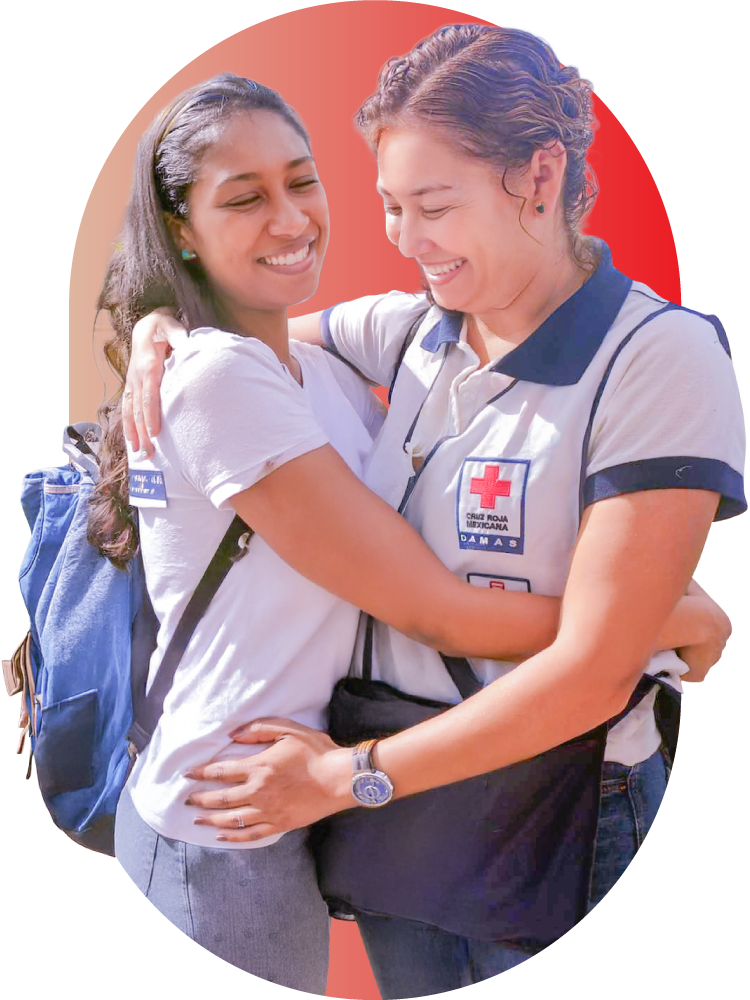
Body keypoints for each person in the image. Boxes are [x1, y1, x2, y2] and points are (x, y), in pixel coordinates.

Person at [120, 27, 745, 995]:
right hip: (397, 829)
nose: (406, 241)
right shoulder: (418, 325)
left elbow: (590, 676)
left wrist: (349, 776)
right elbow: (253, 335)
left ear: (541, 179)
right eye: (390, 206)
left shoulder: (656, 361)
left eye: (435, 206)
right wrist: (163, 321)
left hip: (551, 814)